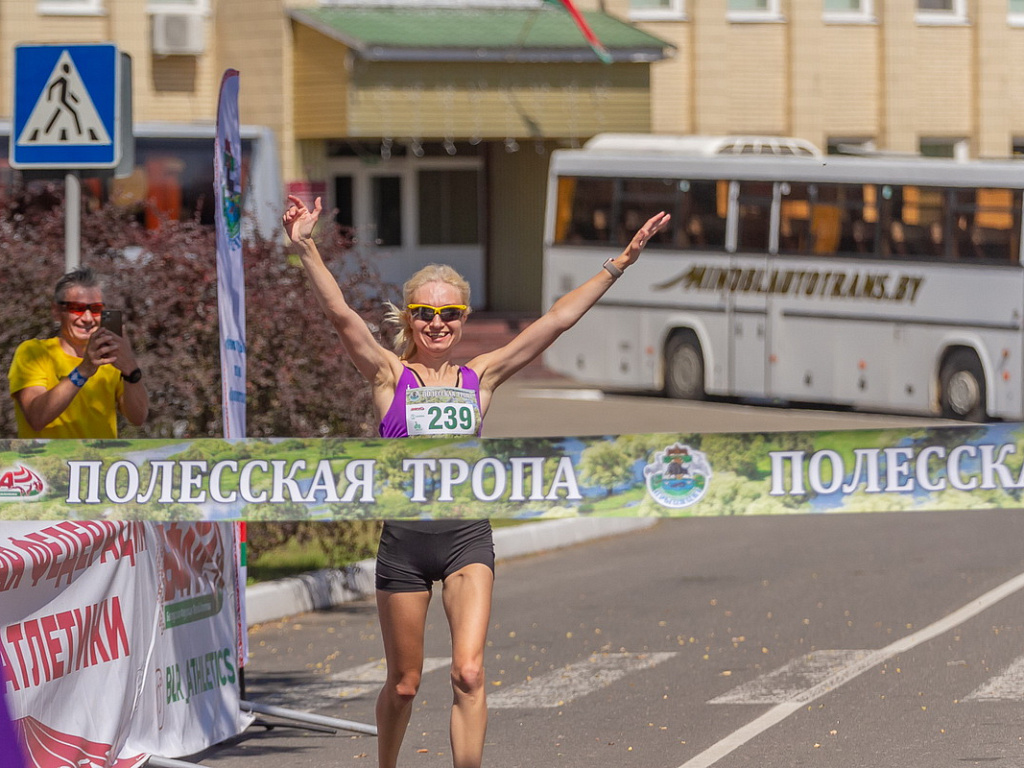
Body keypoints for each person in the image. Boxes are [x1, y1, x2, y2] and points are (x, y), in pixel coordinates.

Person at [282, 194, 669, 768]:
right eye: (425, 313)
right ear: (409, 316)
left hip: (467, 537)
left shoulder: (480, 376)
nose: (437, 325)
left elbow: (556, 320)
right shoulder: (390, 375)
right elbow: (342, 316)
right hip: (405, 544)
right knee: (406, 683)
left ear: (464, 319)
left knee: (469, 672)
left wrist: (620, 263)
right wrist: (306, 247)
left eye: (450, 315)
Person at [8, 266, 148, 439]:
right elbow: (37, 418)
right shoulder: (34, 351)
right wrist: (84, 370)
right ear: (57, 311)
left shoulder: (110, 357)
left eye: (96, 309)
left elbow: (138, 418)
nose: (88, 318)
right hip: (46, 464)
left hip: (98, 464)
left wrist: (131, 370)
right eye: (77, 308)